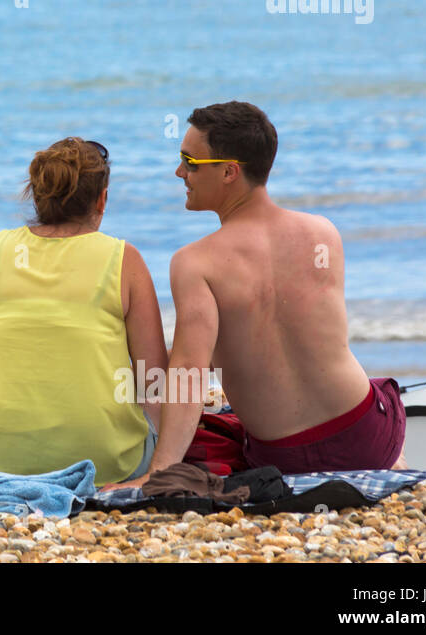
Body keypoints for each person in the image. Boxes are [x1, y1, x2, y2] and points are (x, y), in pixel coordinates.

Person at [112, 101, 406, 486]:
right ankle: (397, 463)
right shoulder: (323, 233)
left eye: (190, 162)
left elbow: (189, 373)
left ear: (230, 172)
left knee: (201, 432)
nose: (179, 171)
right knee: (374, 390)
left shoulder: (194, 263)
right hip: (367, 440)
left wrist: (159, 472)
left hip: (282, 458)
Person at [0, 137, 168, 483]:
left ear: (36, 196)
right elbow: (152, 380)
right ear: (102, 199)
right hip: (108, 463)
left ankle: (7, 444)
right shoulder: (123, 257)